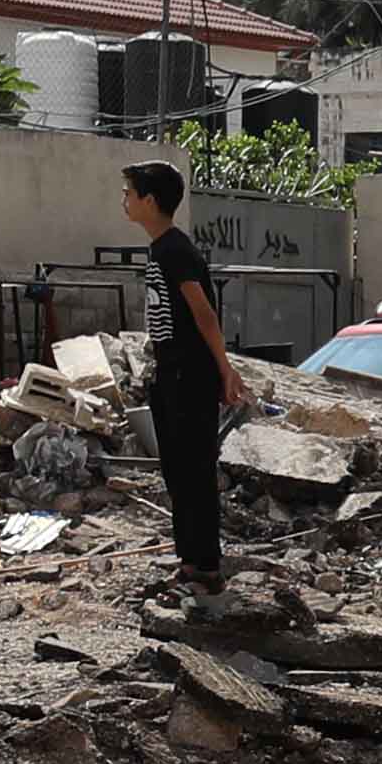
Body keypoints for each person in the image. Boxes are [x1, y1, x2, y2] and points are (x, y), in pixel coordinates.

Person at [120, 159, 242, 601]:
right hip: (171, 373)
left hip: (190, 375)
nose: (124, 202)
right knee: (177, 471)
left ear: (150, 201)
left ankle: (207, 567)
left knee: (193, 472)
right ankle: (189, 561)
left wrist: (224, 368)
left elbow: (203, 312)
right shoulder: (161, 249)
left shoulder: (175, 250)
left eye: (129, 193)